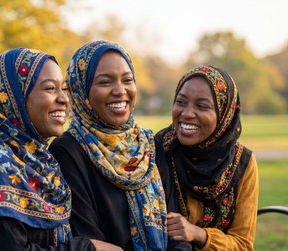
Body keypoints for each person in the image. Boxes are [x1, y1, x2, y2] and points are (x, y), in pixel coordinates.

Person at [0, 48, 95, 250]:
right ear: (11, 99)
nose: (65, 99)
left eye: (64, 89)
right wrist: (87, 248)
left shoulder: (39, 161)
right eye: (51, 88)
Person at [49, 40, 192, 251]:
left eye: (127, 80)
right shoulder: (67, 152)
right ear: (81, 89)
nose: (120, 90)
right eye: (105, 82)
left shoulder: (150, 146)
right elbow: (87, 239)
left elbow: (176, 232)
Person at [156, 65, 259, 250]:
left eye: (202, 106)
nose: (187, 113)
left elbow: (243, 244)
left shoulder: (242, 163)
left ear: (224, 115)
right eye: (180, 102)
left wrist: (199, 234)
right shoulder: (158, 150)